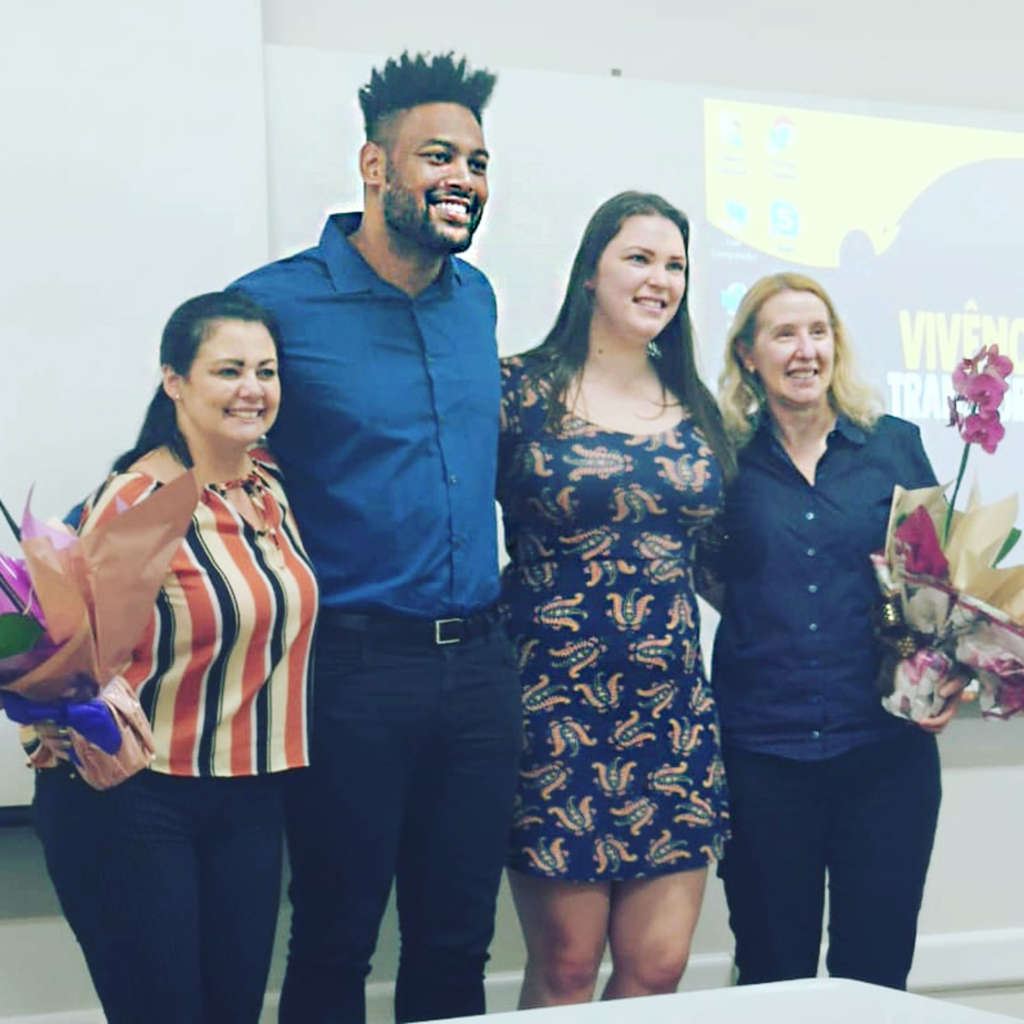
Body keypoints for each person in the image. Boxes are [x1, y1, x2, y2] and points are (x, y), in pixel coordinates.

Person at [230, 52, 522, 1024]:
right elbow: (203, 472)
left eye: (478, 162)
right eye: (438, 155)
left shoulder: (474, 299)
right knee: (335, 938)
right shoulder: (276, 304)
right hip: (346, 672)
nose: (463, 179)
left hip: (479, 670)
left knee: (455, 946)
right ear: (373, 165)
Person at [26, 291, 318, 1023]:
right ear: (175, 381)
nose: (252, 388)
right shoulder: (141, 500)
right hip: (135, 802)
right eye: (228, 370)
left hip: (247, 795)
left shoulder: (269, 487)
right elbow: (57, 651)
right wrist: (43, 723)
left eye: (266, 370)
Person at [497, 191, 736, 1007]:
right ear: (589, 273)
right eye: (639, 258)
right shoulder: (517, 394)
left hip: (671, 714)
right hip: (551, 712)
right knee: (566, 966)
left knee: (659, 968)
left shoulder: (701, 414)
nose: (659, 279)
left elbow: (722, 570)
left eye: (675, 265)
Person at [710, 272, 962, 990]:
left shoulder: (893, 446)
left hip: (884, 755)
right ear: (748, 354)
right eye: (783, 333)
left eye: (818, 332)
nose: (805, 350)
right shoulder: (723, 459)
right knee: (770, 973)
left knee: (875, 974)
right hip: (762, 756)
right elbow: (711, 575)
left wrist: (955, 673)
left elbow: (939, 588)